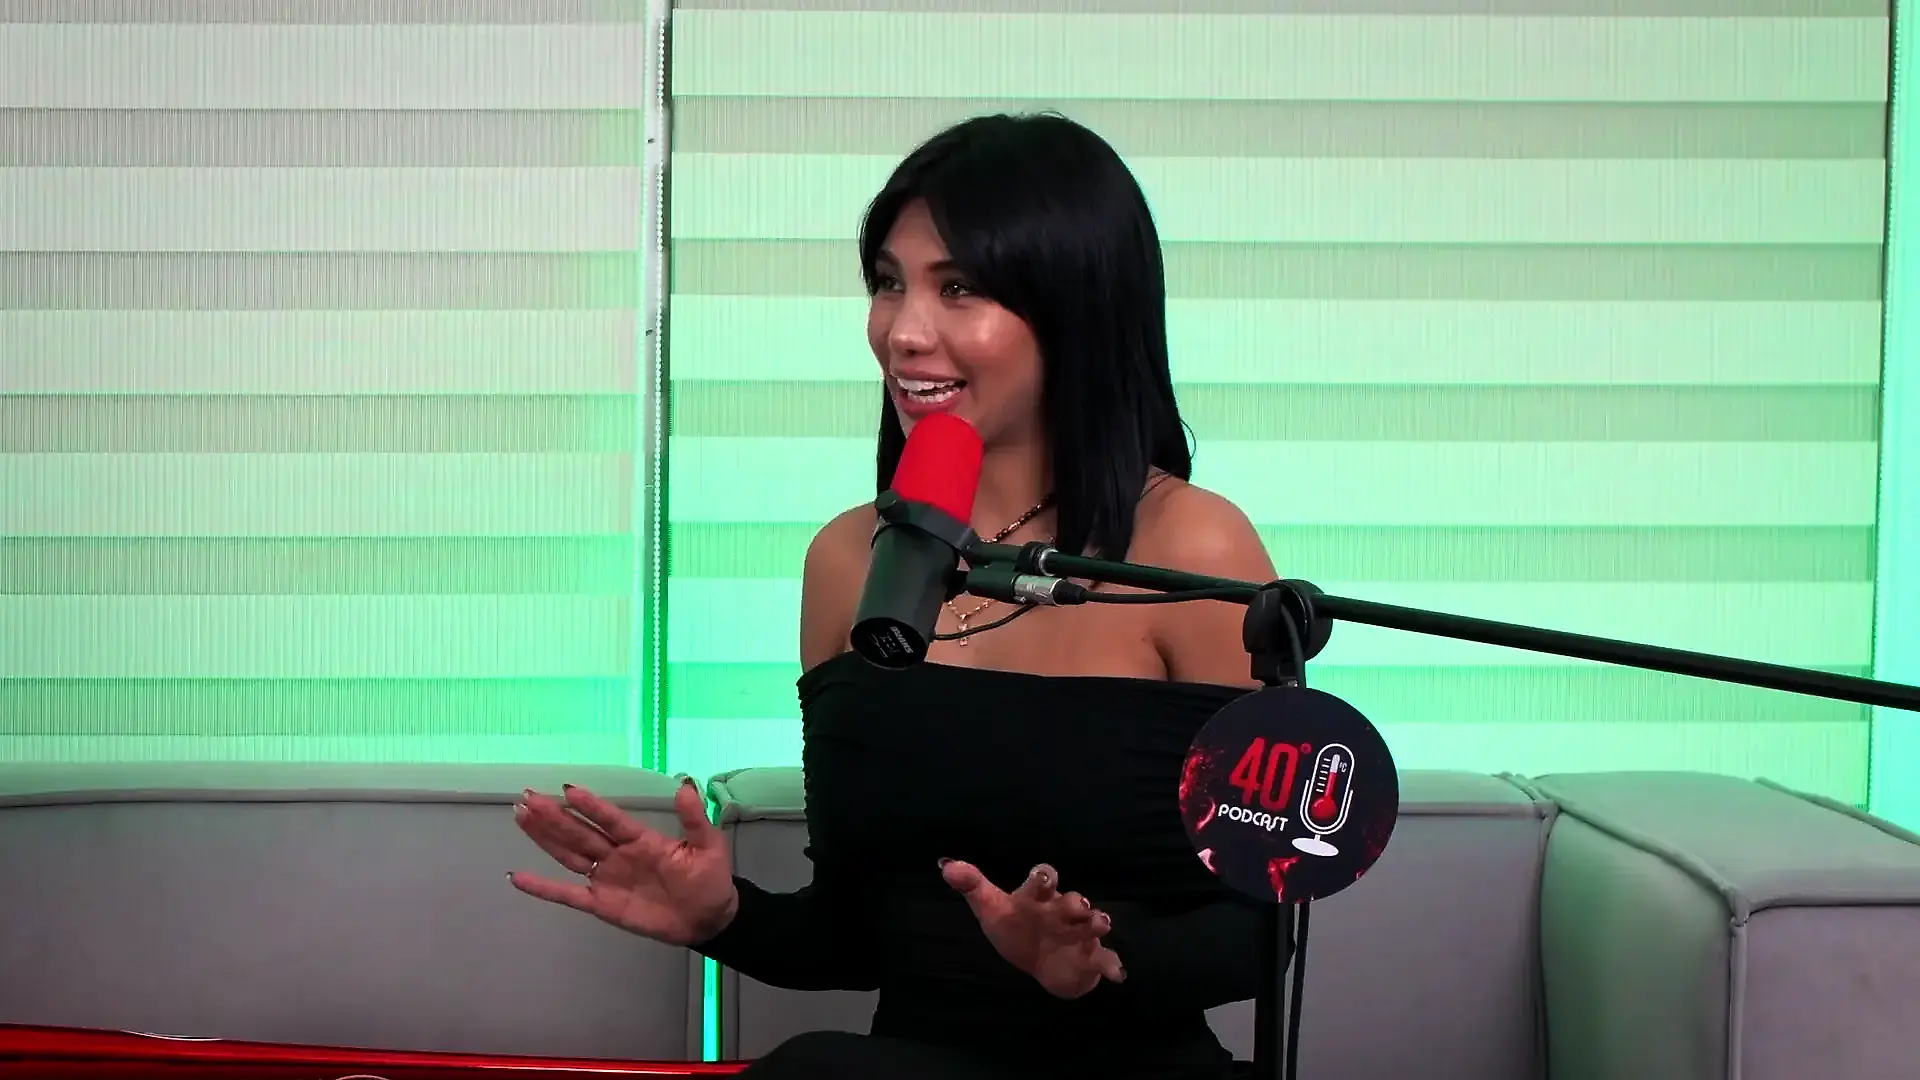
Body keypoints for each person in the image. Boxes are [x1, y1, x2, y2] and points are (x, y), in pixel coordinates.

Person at [509, 113, 1281, 1079]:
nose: (903, 332)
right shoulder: (848, 560)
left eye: (959, 288)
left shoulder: (1193, 550)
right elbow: (855, 934)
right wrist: (724, 918)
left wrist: (1098, 961)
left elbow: (1263, 930)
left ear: (1077, 307)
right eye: (888, 282)